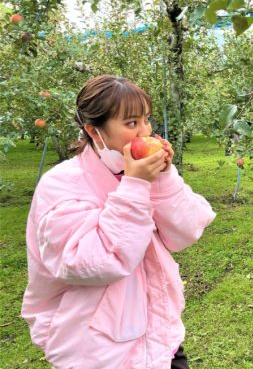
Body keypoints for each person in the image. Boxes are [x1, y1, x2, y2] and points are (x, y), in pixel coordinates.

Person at [21, 75, 216, 368]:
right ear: (94, 131)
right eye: (131, 123)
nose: (145, 132)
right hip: (95, 348)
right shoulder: (61, 185)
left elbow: (185, 232)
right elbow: (94, 261)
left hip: (157, 335)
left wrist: (162, 178)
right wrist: (135, 186)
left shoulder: (134, 172)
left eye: (146, 120)